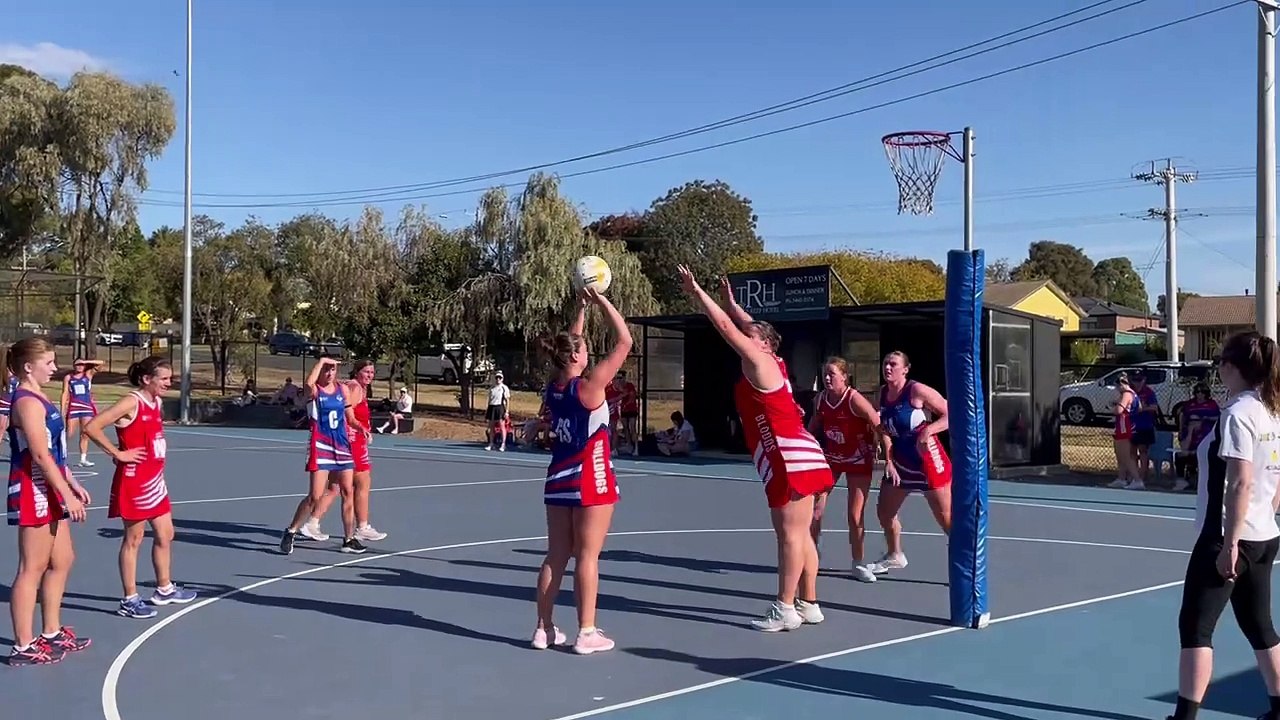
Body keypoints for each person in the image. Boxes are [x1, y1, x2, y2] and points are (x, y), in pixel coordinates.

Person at [679, 265, 832, 632]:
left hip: (787, 455)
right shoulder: (773, 359)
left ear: (762, 343)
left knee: (790, 536)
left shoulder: (760, 361)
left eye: (752, 336)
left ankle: (784, 608)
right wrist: (733, 304)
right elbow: (750, 326)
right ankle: (808, 602)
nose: (745, 340)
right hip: (802, 452)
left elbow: (731, 331)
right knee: (801, 534)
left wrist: (698, 293)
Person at [1167, 331, 1280, 720]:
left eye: (1220, 364)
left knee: (1196, 628)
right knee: (1260, 626)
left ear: (1233, 368)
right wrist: (1266, 512)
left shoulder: (1236, 415)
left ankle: (1184, 717)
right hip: (1264, 534)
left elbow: (1240, 480)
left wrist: (1230, 543)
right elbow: (1274, 476)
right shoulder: (1271, 411)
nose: (1218, 371)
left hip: (1227, 538)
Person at [532, 287, 631, 655]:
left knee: (555, 555)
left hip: (558, 478)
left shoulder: (554, 389)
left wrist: (581, 310)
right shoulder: (590, 388)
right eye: (583, 349)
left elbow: (570, 345)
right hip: (591, 476)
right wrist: (603, 300)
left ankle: (543, 628)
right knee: (587, 556)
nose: (588, 351)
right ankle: (586, 632)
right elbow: (624, 341)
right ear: (575, 356)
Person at [82, 356, 198, 619]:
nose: (169, 383)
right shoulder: (131, 401)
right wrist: (118, 453)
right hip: (134, 481)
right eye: (164, 379)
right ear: (147, 379)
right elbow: (92, 426)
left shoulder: (155, 402)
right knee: (133, 539)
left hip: (155, 480)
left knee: (166, 534)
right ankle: (129, 598)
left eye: (170, 379)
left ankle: (164, 588)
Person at [6, 337, 92, 666]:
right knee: (32, 568)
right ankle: (22, 645)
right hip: (34, 488)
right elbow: (40, 455)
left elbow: (56, 452)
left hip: (51, 487)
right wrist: (65, 494)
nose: (55, 368)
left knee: (63, 559)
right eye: (50, 363)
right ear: (29, 367)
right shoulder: (26, 402)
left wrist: (71, 482)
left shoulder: (41, 397)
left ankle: (51, 632)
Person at [869, 350, 952, 579]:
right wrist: (888, 458)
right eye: (885, 363)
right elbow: (882, 427)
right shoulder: (883, 394)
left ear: (905, 369)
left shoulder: (916, 391)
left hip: (928, 461)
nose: (887, 368)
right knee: (885, 512)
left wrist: (929, 430)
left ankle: (965, 567)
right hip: (902, 462)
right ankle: (895, 554)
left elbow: (951, 413)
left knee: (947, 519)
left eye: (893, 364)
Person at [807, 356, 885, 582]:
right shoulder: (820, 399)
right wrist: (805, 443)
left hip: (858, 458)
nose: (827, 378)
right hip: (831, 458)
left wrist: (884, 447)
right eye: (825, 374)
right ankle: (813, 552)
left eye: (832, 374)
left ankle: (858, 563)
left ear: (844, 376)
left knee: (855, 513)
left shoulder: (854, 399)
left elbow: (876, 421)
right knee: (814, 509)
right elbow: (815, 424)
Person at [279, 356, 366, 555]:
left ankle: (349, 539)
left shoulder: (342, 390)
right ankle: (291, 530)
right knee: (315, 497)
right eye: (326, 369)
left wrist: (361, 428)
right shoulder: (315, 391)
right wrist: (320, 361)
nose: (329, 373)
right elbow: (308, 383)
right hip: (321, 445)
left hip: (341, 446)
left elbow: (349, 417)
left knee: (347, 492)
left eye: (333, 369)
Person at [60, 358, 103, 468]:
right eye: (77, 364)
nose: (79, 366)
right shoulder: (69, 377)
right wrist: (62, 408)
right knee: (69, 433)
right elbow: (65, 393)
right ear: (73, 366)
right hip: (74, 407)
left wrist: (87, 362)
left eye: (81, 365)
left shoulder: (88, 375)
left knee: (85, 433)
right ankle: (60, 456)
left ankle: (83, 459)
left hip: (86, 407)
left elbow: (101, 363)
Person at [1108, 373, 1143, 490]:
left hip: (1124, 427)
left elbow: (1119, 410)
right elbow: (1139, 408)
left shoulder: (1127, 394)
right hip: (1126, 426)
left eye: (1118, 386)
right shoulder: (1134, 394)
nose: (1117, 389)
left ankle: (1137, 480)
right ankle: (1121, 478)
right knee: (1120, 455)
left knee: (1125, 456)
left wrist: (1113, 407)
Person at [486, 372, 511, 452]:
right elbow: (489, 400)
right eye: (497, 378)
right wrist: (487, 409)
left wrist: (506, 411)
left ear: (502, 379)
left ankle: (503, 444)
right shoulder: (492, 388)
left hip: (500, 407)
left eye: (500, 378)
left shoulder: (504, 388)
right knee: (491, 426)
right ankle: (491, 443)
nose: (498, 379)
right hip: (492, 407)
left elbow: (507, 400)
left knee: (502, 426)